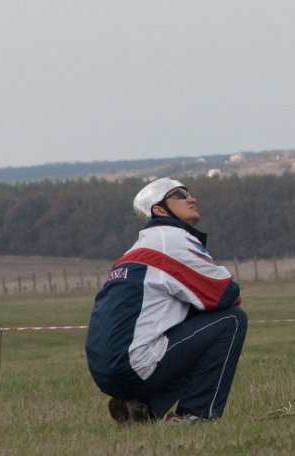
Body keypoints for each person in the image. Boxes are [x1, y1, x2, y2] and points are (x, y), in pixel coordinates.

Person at [85, 178, 248, 424]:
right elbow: (226, 294)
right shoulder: (170, 239)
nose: (191, 198)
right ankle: (196, 415)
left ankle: (142, 409)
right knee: (231, 321)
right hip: (134, 365)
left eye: (189, 193)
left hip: (105, 371)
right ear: (159, 210)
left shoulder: (136, 249)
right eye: (179, 195)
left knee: (193, 319)